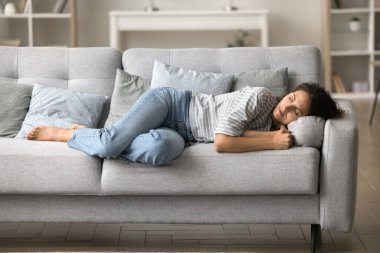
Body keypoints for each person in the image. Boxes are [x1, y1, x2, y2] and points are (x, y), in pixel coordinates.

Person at [26, 82, 344, 165]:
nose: (285, 108)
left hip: (183, 134)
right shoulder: (260, 98)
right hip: (172, 104)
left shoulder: (277, 127)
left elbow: (231, 137)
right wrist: (272, 142)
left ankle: (97, 138)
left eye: (296, 112)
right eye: (290, 98)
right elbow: (222, 142)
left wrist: (274, 136)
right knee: (110, 145)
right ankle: (69, 133)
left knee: (162, 149)